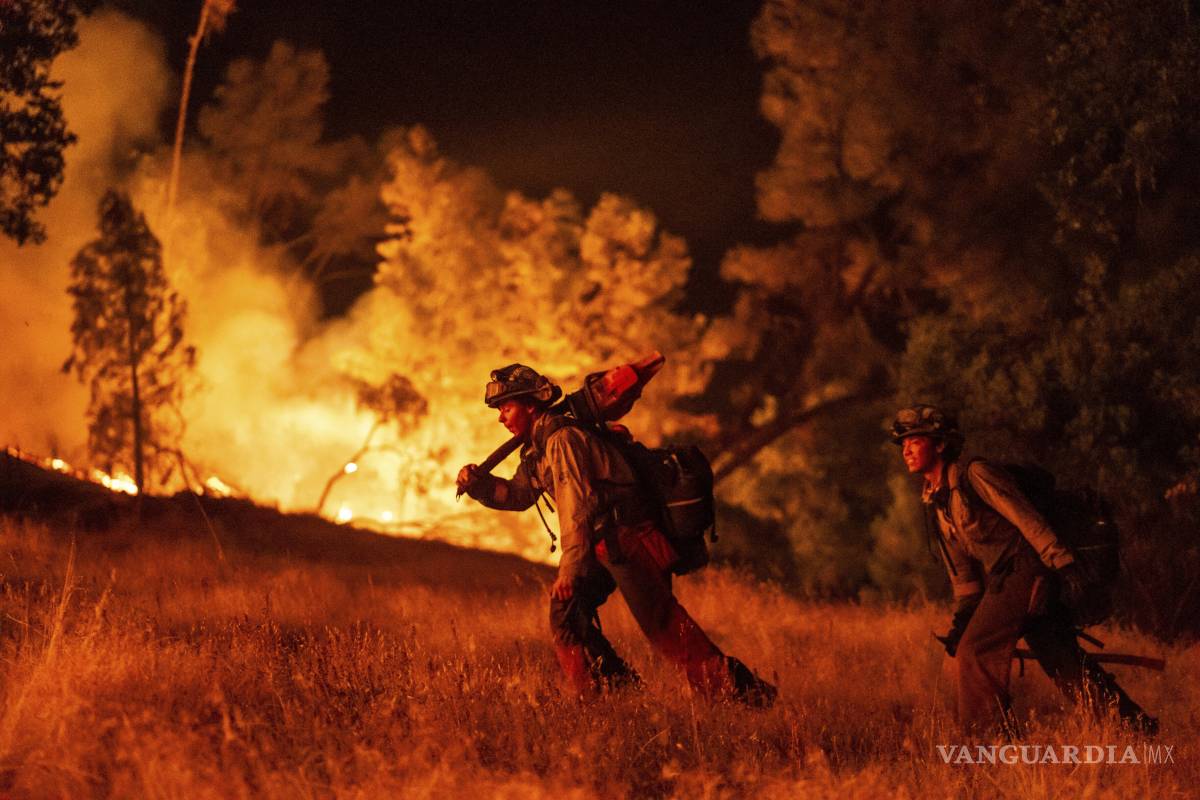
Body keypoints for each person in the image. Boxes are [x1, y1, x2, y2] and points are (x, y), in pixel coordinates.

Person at [457, 364, 776, 705]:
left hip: (627, 538)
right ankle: (615, 698)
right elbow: (518, 496)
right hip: (601, 543)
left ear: (531, 406)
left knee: (663, 627)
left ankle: (745, 696)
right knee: (567, 617)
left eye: (507, 408)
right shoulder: (538, 450)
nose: (501, 418)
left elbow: (575, 507)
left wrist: (570, 569)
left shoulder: (563, 440)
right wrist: (480, 486)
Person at [891, 404, 1156, 736]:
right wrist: (964, 619)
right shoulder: (938, 501)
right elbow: (963, 574)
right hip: (1007, 576)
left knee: (977, 649)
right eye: (903, 443)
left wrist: (1064, 565)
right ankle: (1134, 728)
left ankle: (987, 743)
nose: (906, 449)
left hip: (1029, 568)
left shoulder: (976, 474)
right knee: (1061, 658)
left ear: (940, 444)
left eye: (915, 440)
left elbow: (1026, 518)